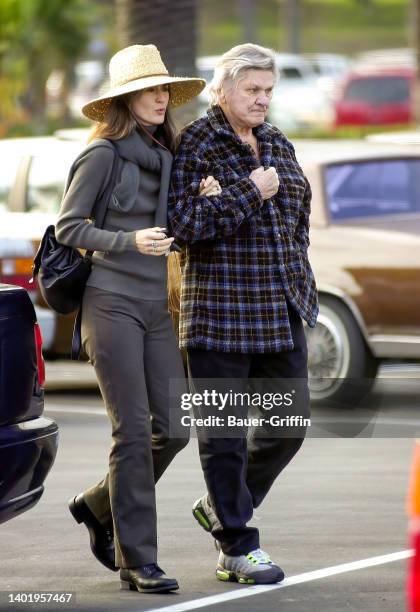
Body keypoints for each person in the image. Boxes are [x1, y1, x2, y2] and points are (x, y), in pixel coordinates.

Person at [56, 44, 205, 594]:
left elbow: (178, 227)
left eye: (166, 89)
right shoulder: (102, 156)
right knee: (135, 432)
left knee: (173, 429)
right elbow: (68, 228)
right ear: (125, 98)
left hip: (157, 307)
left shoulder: (170, 156)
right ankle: (137, 558)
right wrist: (127, 240)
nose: (162, 97)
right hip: (110, 302)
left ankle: (97, 505)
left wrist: (202, 198)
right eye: (151, 89)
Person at [169, 43, 319, 585]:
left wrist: (300, 279)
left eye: (269, 90)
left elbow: (298, 212)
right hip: (219, 316)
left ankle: (221, 505)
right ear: (223, 90)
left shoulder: (277, 140)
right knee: (224, 436)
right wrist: (247, 192)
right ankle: (236, 545)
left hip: (281, 311)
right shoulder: (198, 142)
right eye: (253, 89)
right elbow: (183, 225)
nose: (263, 100)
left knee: (289, 425)